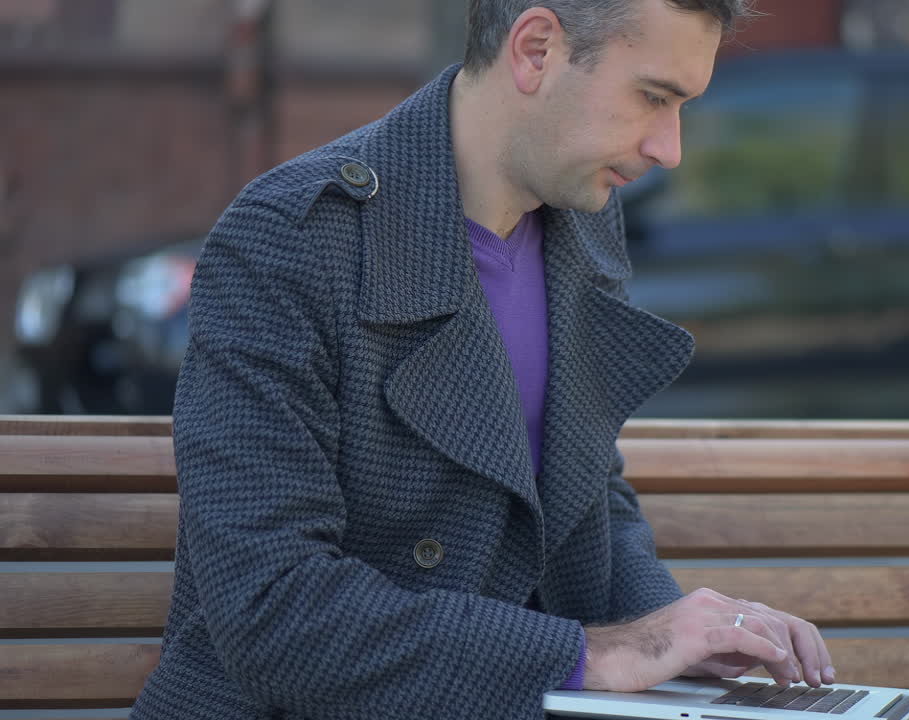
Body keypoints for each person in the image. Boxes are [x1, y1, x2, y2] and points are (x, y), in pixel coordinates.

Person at [130, 1, 835, 718]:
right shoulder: (292, 238)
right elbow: (272, 610)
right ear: (535, 50)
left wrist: (693, 644)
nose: (669, 148)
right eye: (653, 97)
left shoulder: (585, 224)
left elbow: (584, 499)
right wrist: (604, 654)